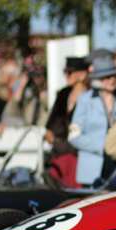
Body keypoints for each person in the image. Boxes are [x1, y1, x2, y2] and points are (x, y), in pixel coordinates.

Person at [68, 51, 116, 187]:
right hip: (92, 169)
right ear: (98, 79)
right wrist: (102, 146)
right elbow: (74, 136)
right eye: (106, 77)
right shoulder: (85, 100)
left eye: (114, 76)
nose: (112, 80)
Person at [44, 57, 89, 188]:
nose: (66, 76)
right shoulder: (63, 94)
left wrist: (57, 141)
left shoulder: (90, 97)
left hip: (78, 157)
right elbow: (50, 128)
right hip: (58, 157)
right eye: (65, 72)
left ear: (82, 74)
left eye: (69, 72)